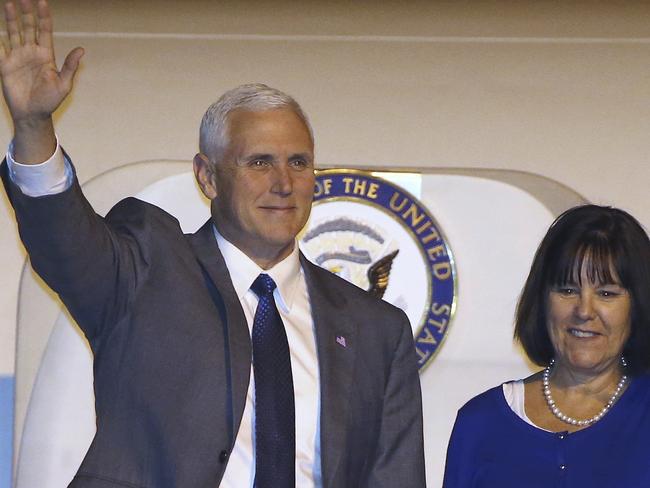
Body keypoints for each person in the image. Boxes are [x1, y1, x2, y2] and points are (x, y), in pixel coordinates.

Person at [0, 1, 426, 487]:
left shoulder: (377, 328)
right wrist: (34, 127)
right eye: (260, 163)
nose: (284, 183)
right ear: (207, 176)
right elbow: (63, 241)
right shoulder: (145, 267)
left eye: (300, 163)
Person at [442, 204, 650, 487]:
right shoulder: (480, 423)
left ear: (636, 305)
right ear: (542, 300)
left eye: (606, 293)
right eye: (567, 290)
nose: (584, 310)